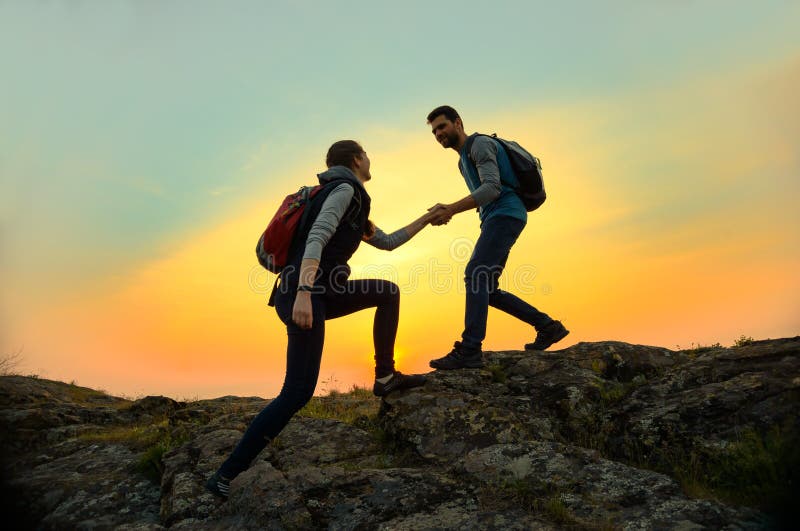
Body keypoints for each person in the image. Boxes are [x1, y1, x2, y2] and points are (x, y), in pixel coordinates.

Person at [206, 140, 430, 498]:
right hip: (305, 293)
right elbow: (317, 237)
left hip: (323, 292)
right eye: (367, 154)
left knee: (388, 292)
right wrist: (305, 294)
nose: (370, 159)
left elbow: (386, 242)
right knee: (296, 392)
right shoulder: (344, 191)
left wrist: (427, 217)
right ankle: (225, 475)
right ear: (357, 159)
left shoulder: (346, 199)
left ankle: (385, 376)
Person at [425, 105, 569, 370]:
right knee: (485, 288)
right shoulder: (462, 160)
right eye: (434, 131)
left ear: (458, 123)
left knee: (476, 274)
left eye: (442, 126)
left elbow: (492, 188)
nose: (438, 134)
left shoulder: (479, 145)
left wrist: (451, 209)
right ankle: (548, 326)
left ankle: (470, 349)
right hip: (496, 218)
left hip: (506, 214)